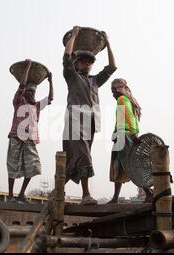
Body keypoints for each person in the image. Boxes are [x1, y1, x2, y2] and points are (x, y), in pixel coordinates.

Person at [62, 26, 117, 205]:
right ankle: (86, 195)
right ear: (77, 64)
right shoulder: (72, 76)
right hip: (75, 121)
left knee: (74, 161)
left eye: (90, 62)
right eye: (84, 61)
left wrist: (108, 43)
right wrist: (75, 36)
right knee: (84, 156)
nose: (87, 64)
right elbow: (66, 58)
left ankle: (57, 189)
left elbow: (112, 67)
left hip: (91, 123)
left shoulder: (94, 81)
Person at [7, 60, 53, 203]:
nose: (32, 94)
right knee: (13, 165)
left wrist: (50, 81)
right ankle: (10, 195)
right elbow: (21, 86)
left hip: (30, 139)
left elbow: (50, 98)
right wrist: (27, 67)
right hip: (16, 136)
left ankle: (21, 194)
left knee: (33, 166)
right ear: (25, 92)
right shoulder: (19, 101)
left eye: (34, 91)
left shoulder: (37, 106)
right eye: (30, 91)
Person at [107, 78, 141, 204]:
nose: (113, 93)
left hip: (125, 135)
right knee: (118, 167)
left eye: (113, 90)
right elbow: (121, 119)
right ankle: (115, 198)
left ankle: (148, 192)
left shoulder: (122, 99)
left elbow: (128, 116)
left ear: (119, 89)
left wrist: (131, 133)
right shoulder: (128, 100)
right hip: (122, 135)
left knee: (129, 165)